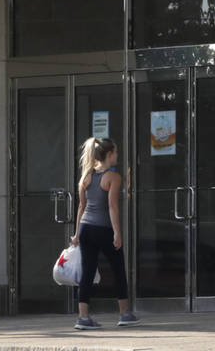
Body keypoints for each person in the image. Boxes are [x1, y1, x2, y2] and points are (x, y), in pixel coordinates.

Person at [71, 137, 139, 330]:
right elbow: (112, 207)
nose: (117, 155)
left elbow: (81, 207)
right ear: (109, 155)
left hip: (85, 229)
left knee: (88, 272)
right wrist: (117, 233)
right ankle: (125, 314)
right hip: (103, 229)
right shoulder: (113, 177)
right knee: (118, 269)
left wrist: (76, 234)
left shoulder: (85, 176)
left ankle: (83, 318)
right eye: (116, 152)